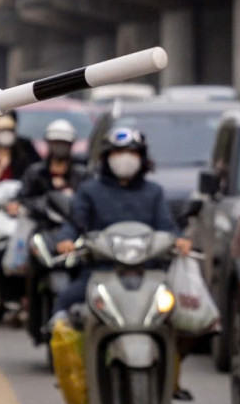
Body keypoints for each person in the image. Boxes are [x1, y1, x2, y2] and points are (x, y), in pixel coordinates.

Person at [51, 125, 189, 318]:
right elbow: (75, 223)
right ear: (106, 157)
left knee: (179, 313)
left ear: (142, 157)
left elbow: (166, 227)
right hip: (101, 271)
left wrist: (180, 240)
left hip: (147, 272)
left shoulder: (153, 192)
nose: (125, 157)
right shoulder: (90, 191)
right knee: (64, 304)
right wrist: (65, 240)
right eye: (118, 152)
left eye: (132, 152)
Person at [17, 118, 80, 206]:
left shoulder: (81, 174)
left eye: (64, 143)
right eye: (56, 142)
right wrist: (48, 198)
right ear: (48, 142)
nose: (60, 147)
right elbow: (23, 199)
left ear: (71, 144)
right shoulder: (35, 173)